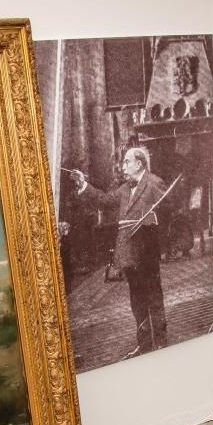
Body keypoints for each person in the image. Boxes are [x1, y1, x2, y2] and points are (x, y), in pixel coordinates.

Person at [71, 147, 169, 359]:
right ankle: (144, 345)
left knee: (153, 296)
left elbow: (167, 212)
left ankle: (161, 342)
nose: (122, 166)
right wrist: (83, 185)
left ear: (139, 164)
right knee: (137, 300)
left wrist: (153, 221)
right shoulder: (125, 189)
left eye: (126, 162)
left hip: (147, 253)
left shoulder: (154, 183)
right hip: (129, 255)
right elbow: (104, 201)